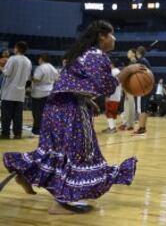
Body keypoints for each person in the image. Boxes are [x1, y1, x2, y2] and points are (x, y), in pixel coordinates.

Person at [0, 21, 141, 214]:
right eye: (112, 34)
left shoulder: (82, 54)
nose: (114, 38)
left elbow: (73, 84)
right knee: (78, 154)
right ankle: (61, 203)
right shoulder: (96, 55)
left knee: (54, 151)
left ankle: (25, 173)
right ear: (102, 36)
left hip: (55, 107)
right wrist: (127, 72)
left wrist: (85, 100)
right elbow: (106, 87)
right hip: (69, 110)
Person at [0, 42, 32, 139]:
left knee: (6, 115)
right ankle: (18, 134)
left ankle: (5, 133)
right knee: (18, 115)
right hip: (20, 92)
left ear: (17, 48)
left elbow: (6, 73)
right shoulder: (28, 61)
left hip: (9, 92)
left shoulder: (12, 59)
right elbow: (28, 77)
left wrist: (0, 67)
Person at [31, 53, 59, 135]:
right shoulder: (53, 68)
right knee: (47, 113)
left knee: (37, 113)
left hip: (38, 93)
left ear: (41, 59)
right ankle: (47, 130)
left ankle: (37, 130)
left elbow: (36, 79)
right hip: (49, 92)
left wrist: (30, 78)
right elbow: (57, 78)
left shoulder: (40, 68)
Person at [134, 46, 152, 135]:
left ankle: (141, 128)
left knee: (141, 109)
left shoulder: (140, 61)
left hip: (143, 88)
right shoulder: (146, 61)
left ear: (137, 52)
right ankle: (143, 127)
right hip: (148, 87)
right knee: (144, 108)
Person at [119, 49, 137, 131]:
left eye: (129, 52)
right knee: (131, 105)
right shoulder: (134, 62)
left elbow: (128, 77)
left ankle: (127, 124)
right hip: (132, 86)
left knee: (128, 106)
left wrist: (125, 89)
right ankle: (130, 124)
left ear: (133, 54)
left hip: (129, 86)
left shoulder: (132, 62)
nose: (127, 53)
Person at [102, 61, 121, 134]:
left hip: (111, 95)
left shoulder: (112, 72)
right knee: (113, 113)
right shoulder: (119, 72)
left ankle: (112, 128)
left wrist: (107, 95)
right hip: (117, 95)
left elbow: (109, 84)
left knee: (109, 112)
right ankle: (112, 127)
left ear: (111, 64)